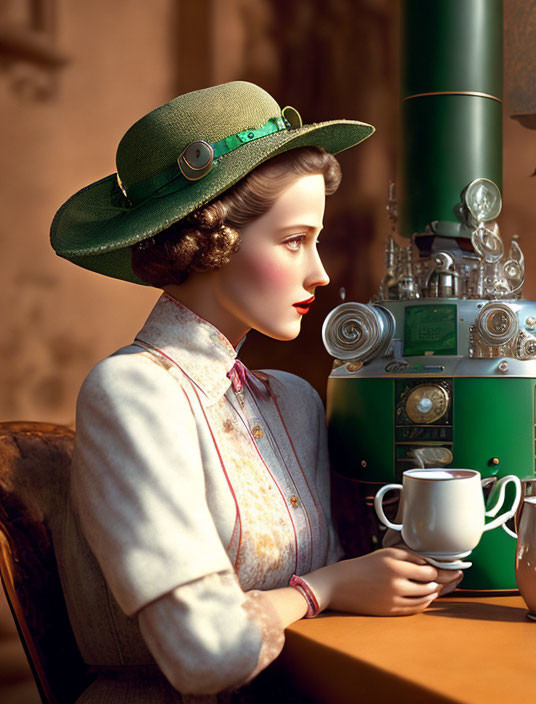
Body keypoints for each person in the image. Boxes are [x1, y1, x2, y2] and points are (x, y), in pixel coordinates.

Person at [50, 81, 461, 701]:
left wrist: (414, 563)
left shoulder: (291, 399)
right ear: (211, 240)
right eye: (295, 241)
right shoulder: (132, 393)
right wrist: (322, 591)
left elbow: (344, 569)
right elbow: (205, 653)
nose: (320, 272)